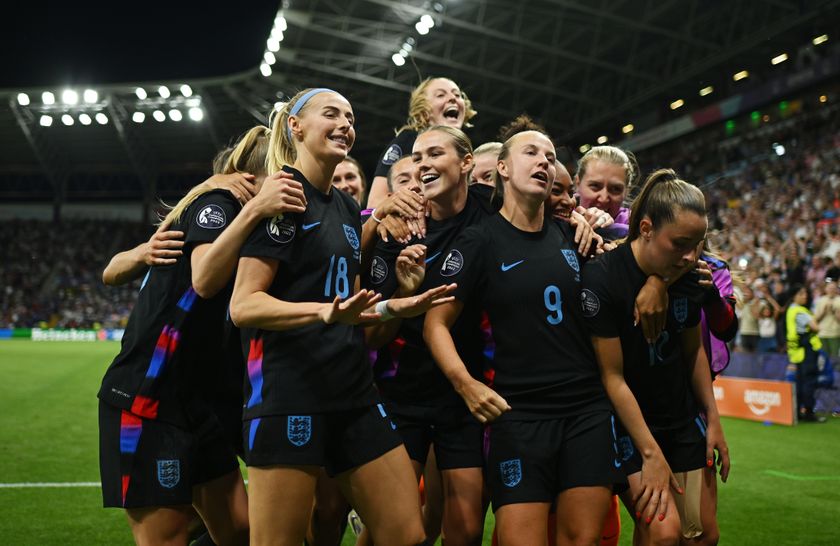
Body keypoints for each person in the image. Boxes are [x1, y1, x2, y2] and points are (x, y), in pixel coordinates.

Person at [228, 88, 454, 546]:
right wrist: (324, 312)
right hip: (290, 393)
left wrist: (396, 303)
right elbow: (244, 304)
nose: (345, 125)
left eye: (350, 118)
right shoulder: (284, 197)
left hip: (352, 390)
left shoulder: (349, 209)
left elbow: (349, 306)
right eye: (330, 114)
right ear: (295, 127)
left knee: (407, 534)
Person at [97, 125, 306, 546]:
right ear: (258, 176)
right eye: (286, 172)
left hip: (196, 402)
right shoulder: (220, 204)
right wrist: (251, 207)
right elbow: (204, 280)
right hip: (148, 399)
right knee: (168, 536)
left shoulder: (255, 223)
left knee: (242, 530)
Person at [425, 129, 622, 546]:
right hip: (519, 414)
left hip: (585, 411)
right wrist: (466, 385)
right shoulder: (478, 241)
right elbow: (434, 324)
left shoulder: (571, 236)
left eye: (549, 157)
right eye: (531, 152)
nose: (544, 162)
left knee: (582, 541)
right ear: (502, 168)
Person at [581, 168, 730, 546]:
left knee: (702, 536)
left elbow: (694, 352)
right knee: (663, 534)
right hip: (628, 427)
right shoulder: (602, 279)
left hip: (681, 421)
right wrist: (650, 452)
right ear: (645, 228)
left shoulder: (690, 275)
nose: (690, 255)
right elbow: (612, 376)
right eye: (680, 243)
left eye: (697, 243)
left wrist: (713, 419)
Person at [366, 77, 476, 209]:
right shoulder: (407, 140)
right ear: (424, 110)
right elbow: (375, 202)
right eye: (440, 95)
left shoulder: (465, 146)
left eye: (457, 95)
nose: (453, 98)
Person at [785, 285, 827, 423]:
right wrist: (816, 321)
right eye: (801, 293)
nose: (805, 296)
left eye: (805, 293)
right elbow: (815, 327)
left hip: (796, 352)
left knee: (799, 382)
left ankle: (797, 412)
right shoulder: (800, 311)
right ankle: (809, 412)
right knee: (809, 382)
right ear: (794, 296)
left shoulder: (791, 310)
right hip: (806, 350)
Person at [814, 278, 840, 359]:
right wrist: (824, 312)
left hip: (835, 334)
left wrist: (834, 313)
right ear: (825, 289)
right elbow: (815, 319)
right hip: (822, 333)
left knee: (835, 358)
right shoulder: (820, 300)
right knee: (824, 358)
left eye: (833, 288)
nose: (831, 290)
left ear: (837, 289)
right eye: (829, 288)